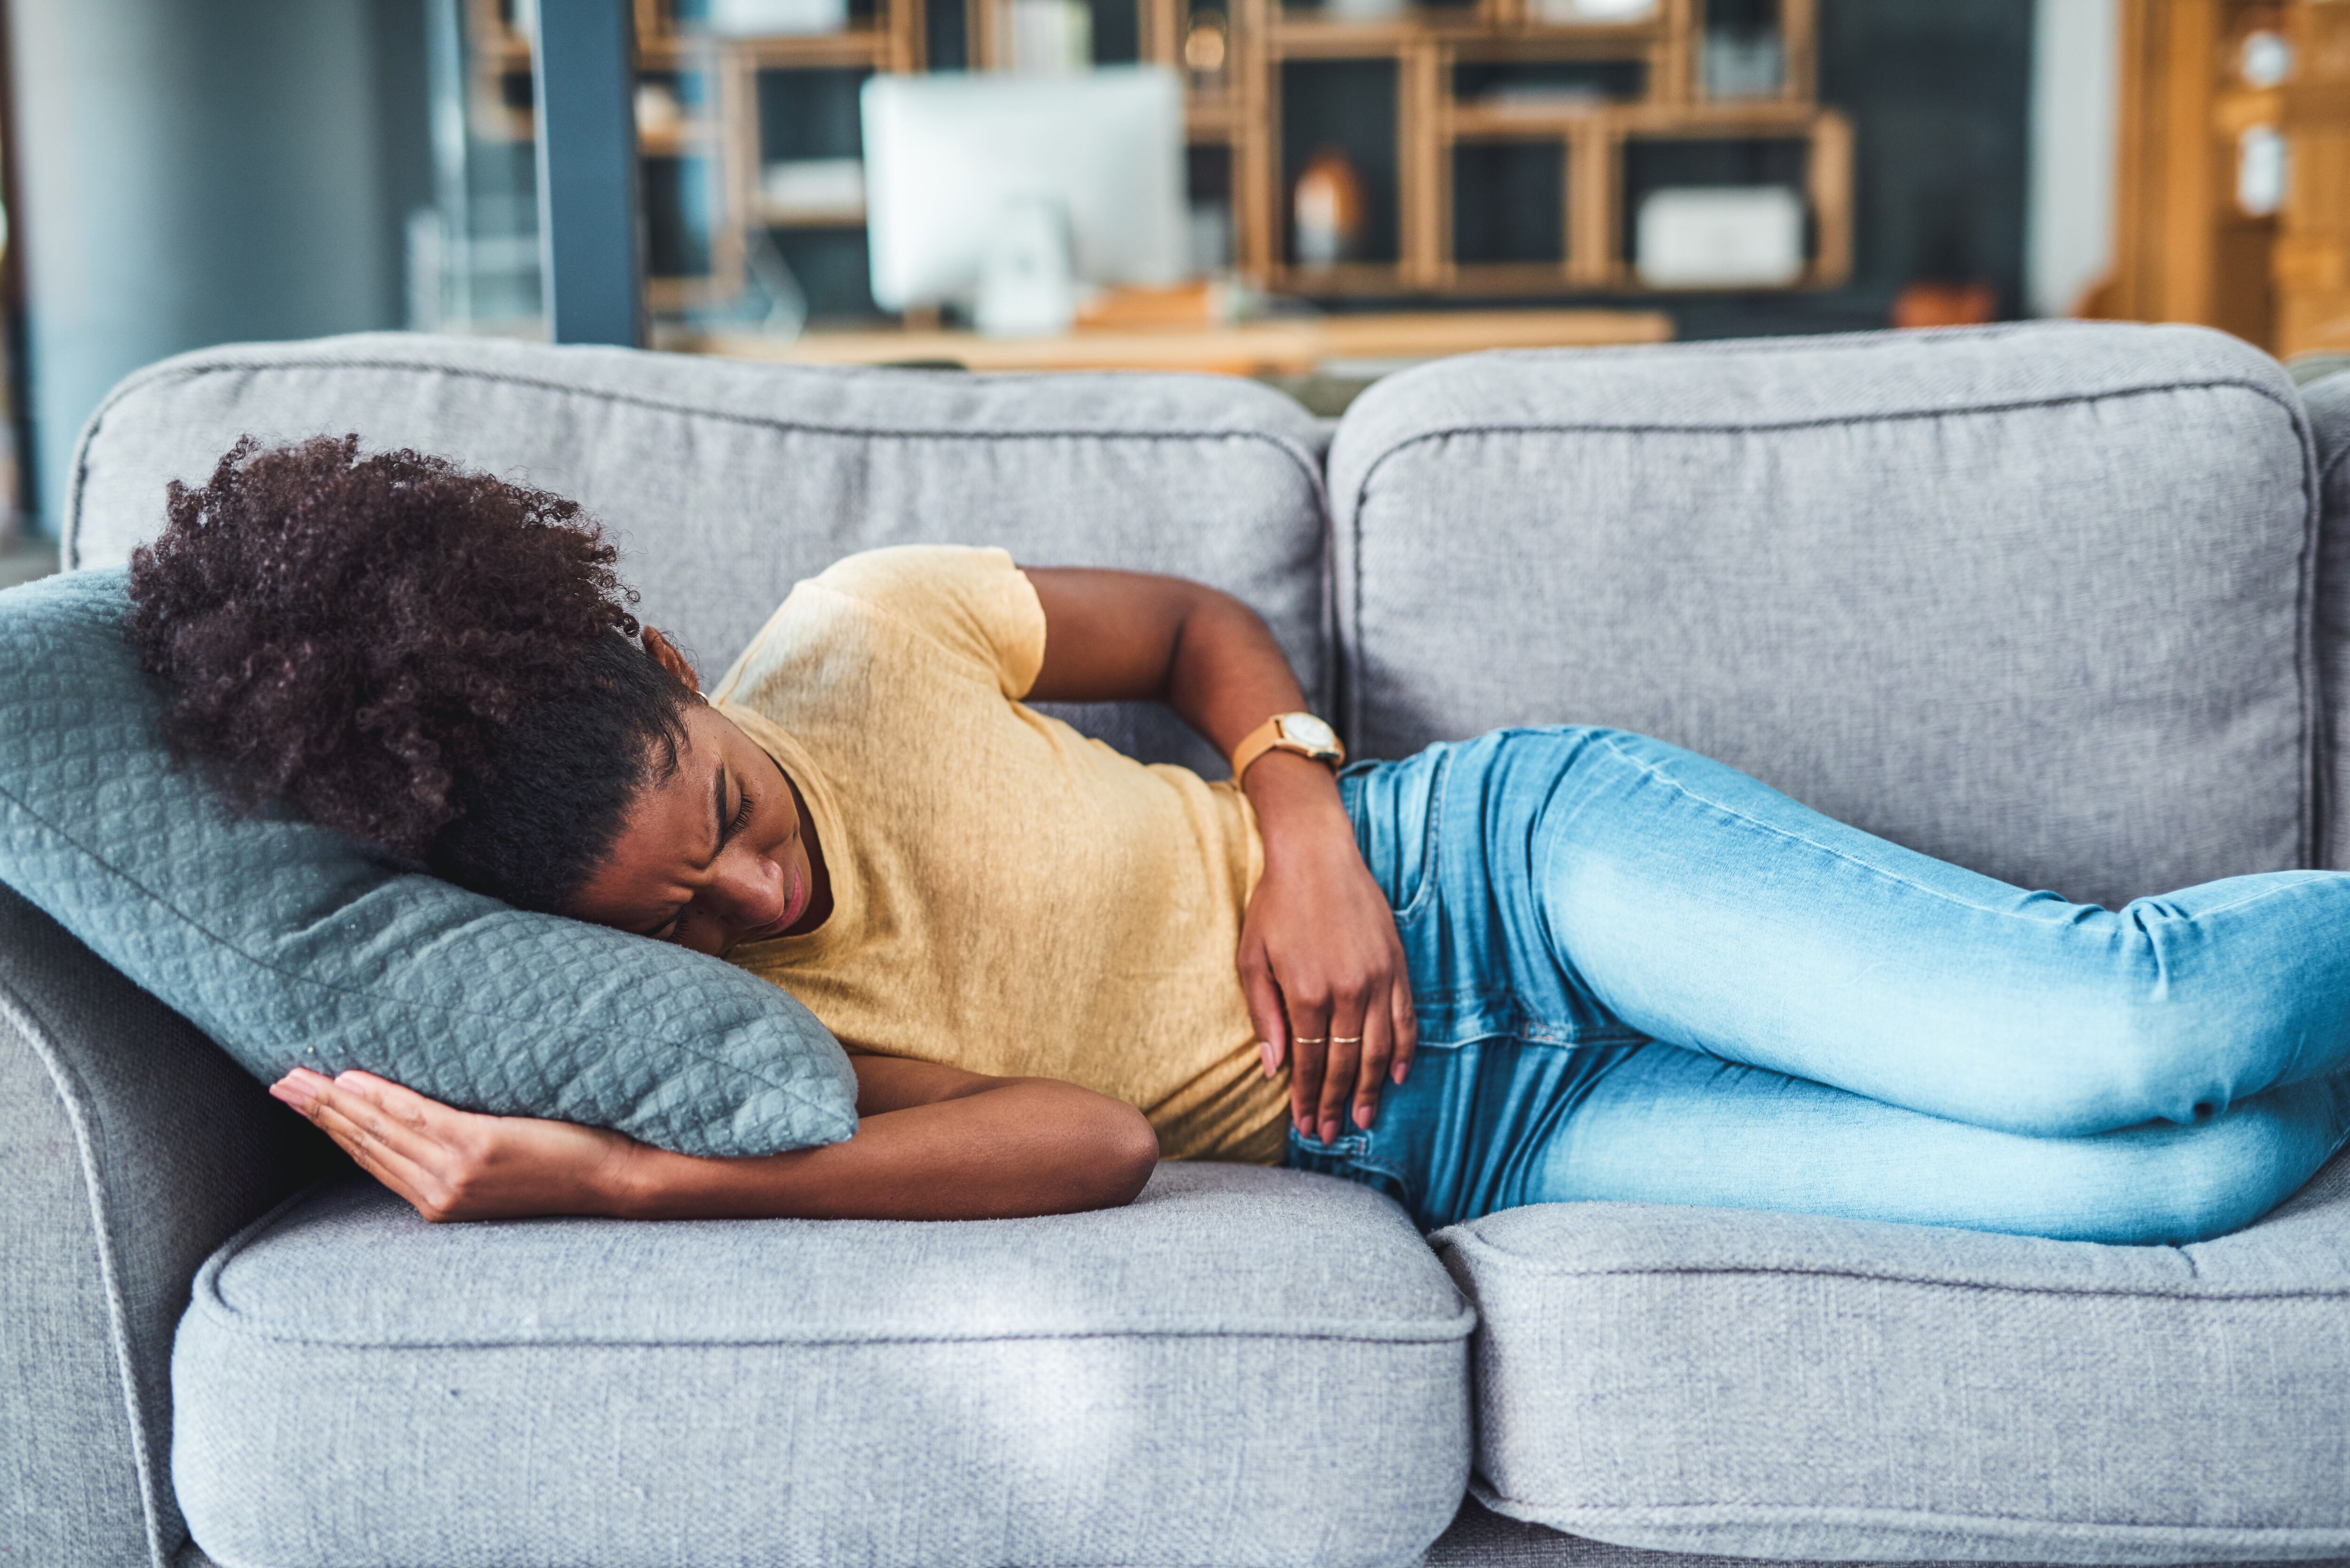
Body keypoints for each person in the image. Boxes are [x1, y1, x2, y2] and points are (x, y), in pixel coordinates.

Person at [130, 436, 2350, 1244]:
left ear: (670, 654)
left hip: (1493, 863)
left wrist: (1297, 813)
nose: (757, 897)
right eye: (690, 911)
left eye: (722, 818)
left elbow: (1194, 626)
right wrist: (621, 1179)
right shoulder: (685, 1025)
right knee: (2163, 1179)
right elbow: (1091, 1145)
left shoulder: (867, 633)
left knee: (2106, 1044)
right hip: (1471, 1139)